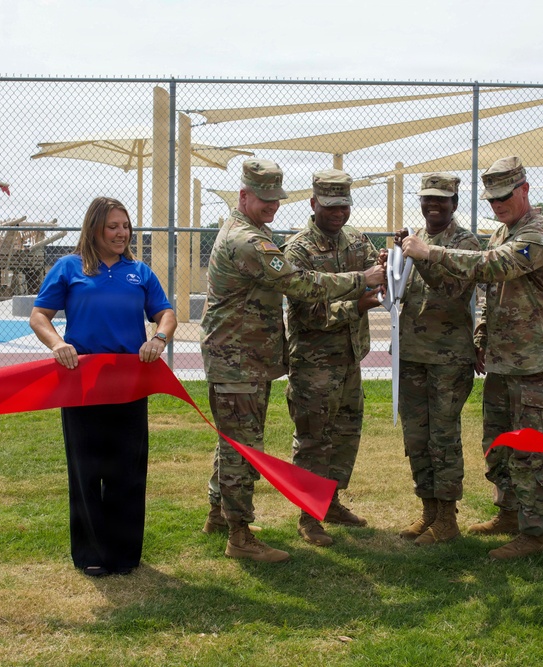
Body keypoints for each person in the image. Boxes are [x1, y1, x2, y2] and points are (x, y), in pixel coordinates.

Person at [201, 159, 386, 563]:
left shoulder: (254, 232)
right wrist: (362, 281)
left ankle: (219, 515)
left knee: (235, 442)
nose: (272, 205)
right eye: (264, 198)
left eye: (276, 198)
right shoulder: (249, 242)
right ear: (243, 195)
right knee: (242, 447)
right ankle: (239, 535)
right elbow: (299, 285)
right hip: (238, 358)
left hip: (246, 356)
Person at [400, 156, 543, 560]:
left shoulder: (539, 234)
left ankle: (535, 534)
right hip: (502, 359)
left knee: (531, 449)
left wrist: (430, 253)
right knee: (498, 445)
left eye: (504, 196)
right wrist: (480, 337)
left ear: (524, 190)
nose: (497, 205)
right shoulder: (503, 231)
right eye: (491, 198)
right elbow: (492, 298)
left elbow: (495, 268)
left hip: (536, 362)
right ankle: (509, 514)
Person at [30, 196, 177, 577]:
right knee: (86, 467)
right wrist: (58, 344)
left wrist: (158, 339)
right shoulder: (69, 267)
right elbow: (39, 315)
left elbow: (165, 313)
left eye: (125, 226)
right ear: (94, 228)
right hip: (82, 383)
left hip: (129, 384)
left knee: (127, 468)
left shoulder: (139, 272)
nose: (121, 233)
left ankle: (125, 554)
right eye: (113, 226)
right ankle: (91, 553)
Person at [283, 168, 383, 547]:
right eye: (330, 206)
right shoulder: (299, 250)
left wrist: (390, 265)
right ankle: (308, 517)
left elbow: (380, 273)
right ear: (313, 204)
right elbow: (308, 313)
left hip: (350, 358)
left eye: (344, 205)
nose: (338, 213)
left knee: (345, 433)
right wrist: (355, 306)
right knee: (313, 438)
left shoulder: (357, 242)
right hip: (314, 362)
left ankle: (332, 501)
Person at [394, 173, 480, 546]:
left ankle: (447, 518)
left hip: (448, 358)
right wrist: (392, 262)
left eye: (442, 200)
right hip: (411, 353)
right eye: (428, 198)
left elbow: (455, 289)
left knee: (443, 437)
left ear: (455, 204)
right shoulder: (416, 239)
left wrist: (419, 257)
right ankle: (428, 509)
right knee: (416, 436)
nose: (434, 205)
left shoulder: (465, 242)